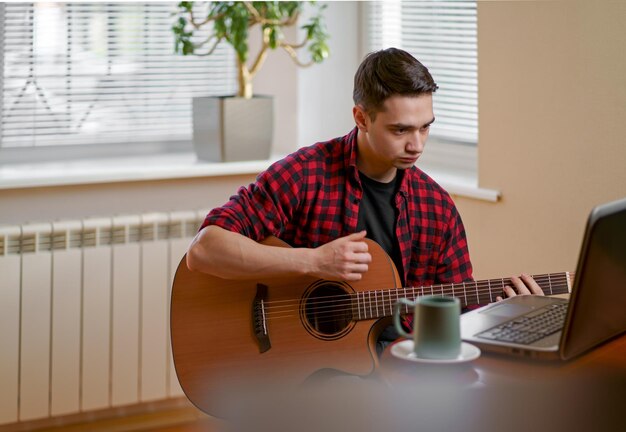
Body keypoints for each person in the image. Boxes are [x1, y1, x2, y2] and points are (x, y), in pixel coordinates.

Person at [187, 47, 544, 354]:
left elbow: (459, 312)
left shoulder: (437, 207)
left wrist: (502, 312)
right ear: (361, 118)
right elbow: (204, 250)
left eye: (425, 127)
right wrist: (313, 261)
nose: (416, 145)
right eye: (400, 130)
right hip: (307, 368)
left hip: (400, 365)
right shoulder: (305, 175)